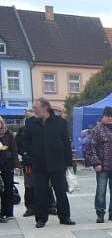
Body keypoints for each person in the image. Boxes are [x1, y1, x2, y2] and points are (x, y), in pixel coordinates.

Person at [17, 98, 75, 228]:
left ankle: (65, 217)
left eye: (36, 107)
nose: (34, 109)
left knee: (61, 192)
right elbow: (24, 141)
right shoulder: (30, 122)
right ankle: (41, 219)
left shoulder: (60, 122)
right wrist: (33, 152)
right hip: (39, 164)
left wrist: (68, 162)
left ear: (45, 108)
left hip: (57, 163)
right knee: (40, 193)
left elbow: (66, 143)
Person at [85, 106, 112, 223]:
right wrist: (96, 163)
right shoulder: (97, 130)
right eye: (108, 116)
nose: (110, 119)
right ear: (103, 117)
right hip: (102, 167)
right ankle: (100, 214)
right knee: (101, 191)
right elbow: (91, 148)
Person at [0, 117, 18, 223]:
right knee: (1, 190)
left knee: (8, 188)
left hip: (7, 164)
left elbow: (14, 150)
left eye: (0, 123)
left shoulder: (9, 135)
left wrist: (15, 165)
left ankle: (8, 212)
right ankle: (2, 212)